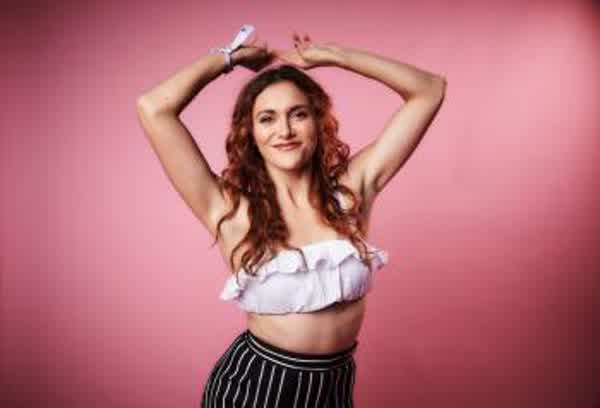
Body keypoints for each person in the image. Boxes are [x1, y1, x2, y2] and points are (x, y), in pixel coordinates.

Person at [136, 26, 446, 408]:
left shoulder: (352, 190)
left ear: (318, 122)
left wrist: (336, 56)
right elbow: (153, 108)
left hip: (333, 387)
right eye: (267, 119)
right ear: (250, 133)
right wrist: (228, 58)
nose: (284, 130)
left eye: (298, 114)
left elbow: (429, 89)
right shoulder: (228, 207)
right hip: (255, 389)